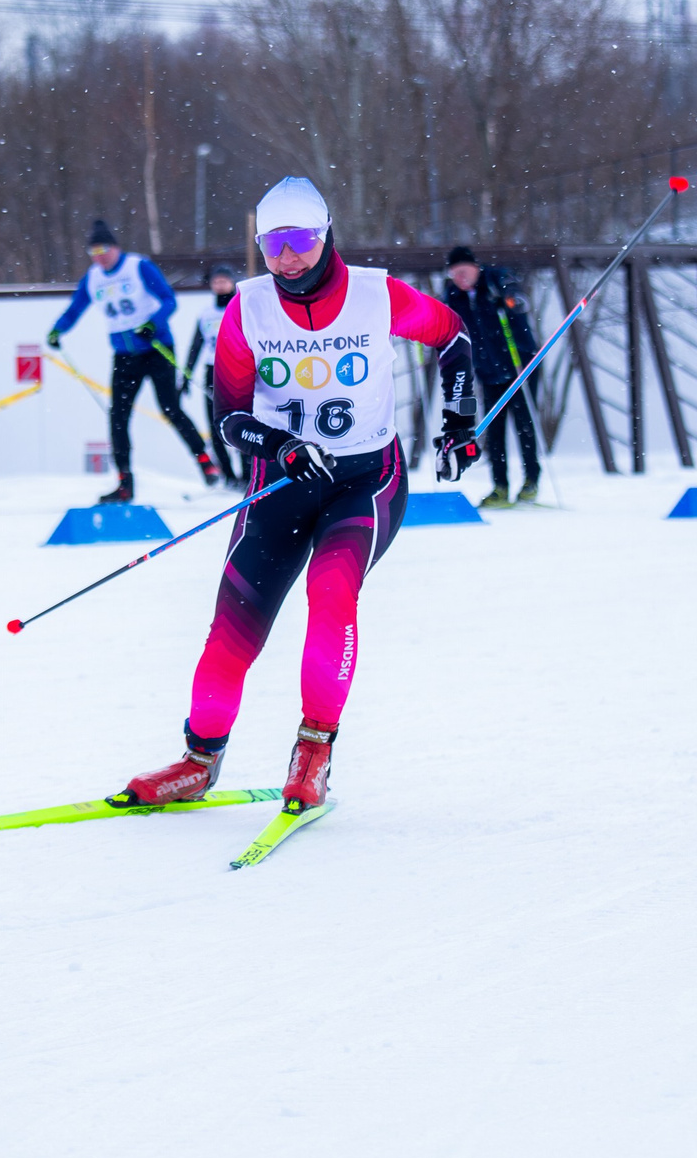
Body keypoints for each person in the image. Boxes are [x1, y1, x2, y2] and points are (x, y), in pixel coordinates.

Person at [117, 176, 480, 814]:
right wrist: (281, 445)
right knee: (234, 624)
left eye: (301, 240)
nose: (288, 257)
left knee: (331, 593)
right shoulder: (248, 307)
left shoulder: (375, 293)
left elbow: (452, 337)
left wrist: (458, 420)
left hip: (366, 480)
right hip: (282, 483)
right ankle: (198, 760)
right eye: (273, 243)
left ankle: (314, 750)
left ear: (326, 234)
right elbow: (228, 416)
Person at [46, 219, 219, 503]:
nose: (99, 257)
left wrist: (153, 323)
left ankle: (205, 462)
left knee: (170, 408)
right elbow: (75, 308)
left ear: (115, 248)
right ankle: (124, 483)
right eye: (93, 252)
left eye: (103, 250)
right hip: (125, 356)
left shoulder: (138, 267)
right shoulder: (93, 277)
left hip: (156, 347)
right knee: (118, 416)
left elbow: (168, 300)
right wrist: (57, 330)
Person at [440, 244, 542, 508]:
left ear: (475, 268)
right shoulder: (454, 295)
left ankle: (532, 480)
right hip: (489, 371)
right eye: (454, 274)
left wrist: (508, 299)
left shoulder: (496, 279)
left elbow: (518, 301)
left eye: (463, 272)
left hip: (520, 366)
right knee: (494, 431)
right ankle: (500, 486)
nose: (460, 278)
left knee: (524, 424)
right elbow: (443, 318)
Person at [176, 264, 244, 486]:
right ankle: (228, 476)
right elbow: (196, 345)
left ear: (232, 282)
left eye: (224, 281)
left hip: (238, 370)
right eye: (216, 281)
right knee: (216, 425)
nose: (220, 285)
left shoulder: (240, 307)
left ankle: (247, 474)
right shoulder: (206, 314)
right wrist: (186, 376)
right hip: (212, 371)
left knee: (243, 421)